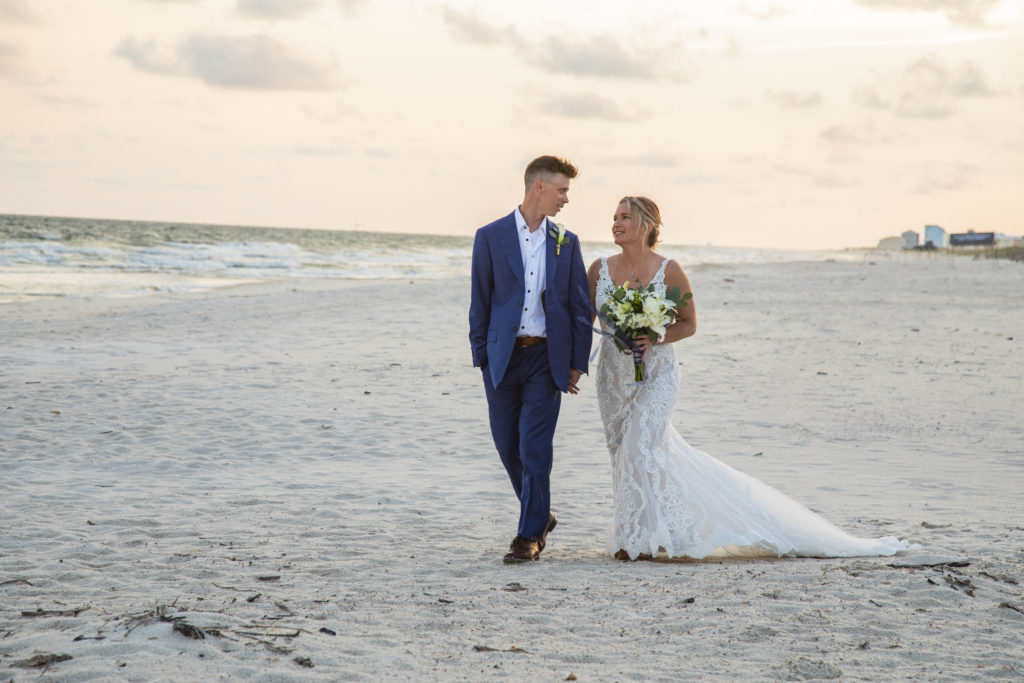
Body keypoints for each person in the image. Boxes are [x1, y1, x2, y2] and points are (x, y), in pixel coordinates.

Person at [587, 196, 913, 561]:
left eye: (625, 217)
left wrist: (654, 336)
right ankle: (643, 533)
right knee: (624, 454)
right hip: (614, 378)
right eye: (614, 217)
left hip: (657, 376)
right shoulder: (599, 269)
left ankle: (640, 544)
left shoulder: (670, 271)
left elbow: (689, 323)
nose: (616, 223)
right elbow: (581, 319)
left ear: (647, 225)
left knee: (638, 447)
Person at [469, 156, 593, 564]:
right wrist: (482, 358)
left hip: (546, 357)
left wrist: (577, 361)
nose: (566, 199)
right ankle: (540, 513)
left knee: (534, 445)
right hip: (502, 358)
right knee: (508, 446)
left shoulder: (567, 241)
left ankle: (528, 538)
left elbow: (577, 306)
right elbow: (481, 302)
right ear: (538, 186)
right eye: (562, 190)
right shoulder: (489, 237)